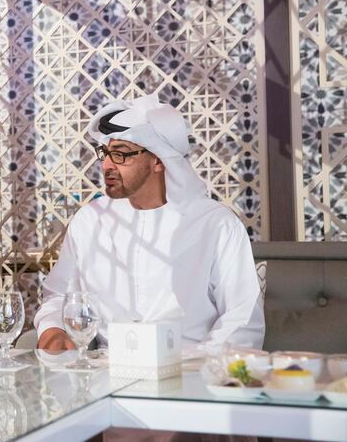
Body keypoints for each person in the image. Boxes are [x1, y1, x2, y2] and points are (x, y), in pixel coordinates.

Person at [35, 94, 265, 352]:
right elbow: (58, 296)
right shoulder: (89, 221)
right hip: (105, 376)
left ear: (158, 160)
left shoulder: (215, 224)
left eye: (121, 155)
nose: (108, 165)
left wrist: (199, 367)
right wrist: (51, 329)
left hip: (187, 375)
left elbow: (242, 319)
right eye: (106, 153)